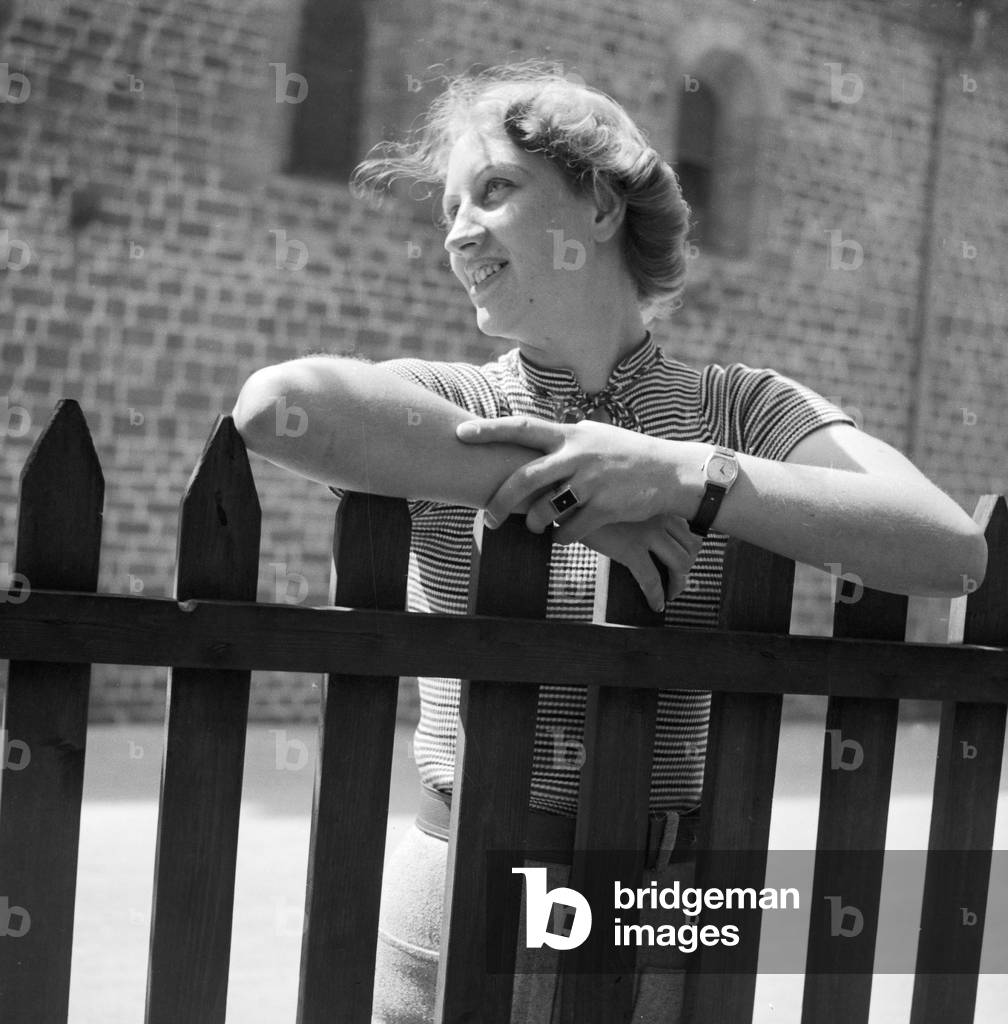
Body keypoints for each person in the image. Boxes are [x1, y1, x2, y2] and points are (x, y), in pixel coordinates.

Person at [231, 61, 986, 1023]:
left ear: (598, 205)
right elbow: (277, 407)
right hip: (463, 885)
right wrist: (569, 483)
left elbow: (950, 550)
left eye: (495, 192)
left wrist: (683, 476)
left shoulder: (740, 410)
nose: (459, 232)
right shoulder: (463, 404)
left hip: (671, 901)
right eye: (450, 209)